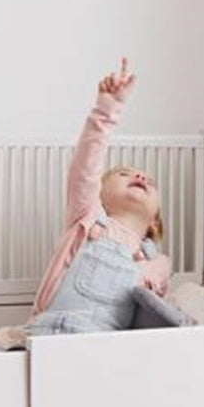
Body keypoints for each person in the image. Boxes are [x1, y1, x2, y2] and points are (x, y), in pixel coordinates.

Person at [25, 57, 171, 336]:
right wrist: (107, 110)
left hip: (106, 342)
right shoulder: (88, 217)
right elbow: (86, 167)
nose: (140, 177)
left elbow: (154, 314)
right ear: (99, 195)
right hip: (51, 329)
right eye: (124, 174)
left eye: (148, 181)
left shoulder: (153, 260)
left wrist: (157, 275)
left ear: (155, 222)